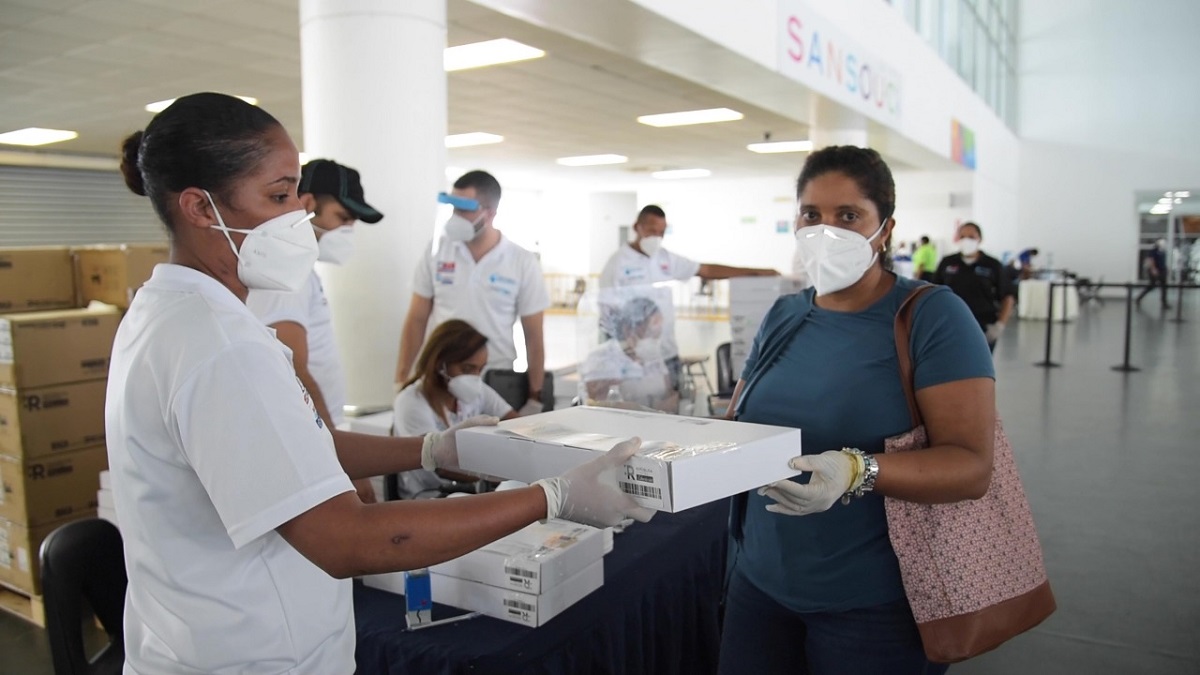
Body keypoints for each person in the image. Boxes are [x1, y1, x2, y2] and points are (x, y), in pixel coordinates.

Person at [108, 92, 651, 673]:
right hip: (252, 656)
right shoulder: (220, 345)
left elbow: (297, 443)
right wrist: (553, 496)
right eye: (279, 195)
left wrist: (430, 448)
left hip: (199, 641)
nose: (300, 215)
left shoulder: (169, 314)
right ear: (198, 206)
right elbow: (354, 541)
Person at [718, 145, 995, 674]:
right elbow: (737, 425)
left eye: (848, 216)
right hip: (760, 583)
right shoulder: (784, 314)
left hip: (876, 605)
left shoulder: (931, 317)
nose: (826, 231)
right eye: (811, 215)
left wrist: (855, 469)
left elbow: (971, 466)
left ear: (884, 228)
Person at [247, 158, 383, 503]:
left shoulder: (301, 272)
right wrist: (340, 457)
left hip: (321, 437)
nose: (348, 231)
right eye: (342, 218)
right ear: (307, 205)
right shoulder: (286, 276)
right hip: (314, 443)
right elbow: (294, 368)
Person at [396, 170, 549, 416]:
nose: (456, 216)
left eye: (464, 209)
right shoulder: (438, 251)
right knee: (434, 449)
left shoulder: (521, 261)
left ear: (490, 213)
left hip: (494, 378)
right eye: (453, 208)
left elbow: (534, 336)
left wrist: (535, 396)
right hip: (442, 375)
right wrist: (402, 377)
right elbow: (416, 319)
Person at [599, 204, 778, 386]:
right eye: (652, 231)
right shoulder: (617, 264)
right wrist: (628, 351)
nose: (657, 237)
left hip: (667, 353)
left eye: (662, 232)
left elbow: (705, 269)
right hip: (634, 357)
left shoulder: (665, 259)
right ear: (637, 227)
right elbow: (608, 316)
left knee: (670, 405)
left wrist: (756, 272)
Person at [393, 319, 518, 499]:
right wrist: (494, 473)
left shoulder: (478, 391)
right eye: (467, 368)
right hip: (427, 496)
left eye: (480, 370)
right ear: (440, 364)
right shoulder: (411, 402)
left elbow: (516, 422)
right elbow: (439, 463)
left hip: (470, 490)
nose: (474, 377)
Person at [581, 295, 678, 413]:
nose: (656, 337)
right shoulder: (600, 358)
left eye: (658, 332)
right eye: (650, 331)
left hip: (656, 424)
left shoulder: (654, 356)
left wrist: (664, 407)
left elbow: (671, 395)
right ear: (629, 328)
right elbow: (597, 404)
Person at [933, 221, 1016, 351]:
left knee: (979, 369)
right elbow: (933, 293)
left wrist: (1000, 325)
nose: (967, 241)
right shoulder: (947, 263)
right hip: (950, 325)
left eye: (971, 237)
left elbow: (1008, 297)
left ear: (979, 239)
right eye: (963, 237)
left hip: (983, 325)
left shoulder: (992, 265)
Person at [1136, 239, 1171, 308]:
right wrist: (1153, 269)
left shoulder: (1163, 251)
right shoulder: (1154, 251)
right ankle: (1139, 298)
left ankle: (1164, 303)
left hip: (1162, 270)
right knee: (1151, 286)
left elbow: (1163, 261)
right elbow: (1151, 260)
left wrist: (1166, 269)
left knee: (1164, 287)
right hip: (1155, 271)